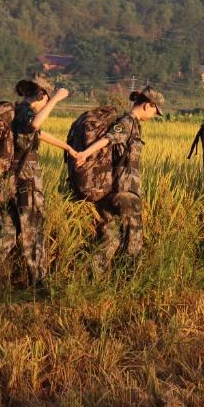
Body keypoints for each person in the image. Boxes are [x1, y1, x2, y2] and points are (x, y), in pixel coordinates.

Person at [0, 73, 74, 286]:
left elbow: (37, 133)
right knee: (32, 231)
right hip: (26, 182)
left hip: (8, 182)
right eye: (46, 97)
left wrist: (69, 148)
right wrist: (57, 99)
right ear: (42, 94)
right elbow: (35, 125)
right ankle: (38, 284)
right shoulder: (25, 112)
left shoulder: (15, 112)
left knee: (4, 230)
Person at [73, 87, 164, 272]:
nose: (154, 115)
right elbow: (108, 139)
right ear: (148, 105)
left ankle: (91, 277)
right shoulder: (126, 122)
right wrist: (84, 154)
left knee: (111, 237)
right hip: (123, 191)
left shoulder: (134, 124)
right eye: (155, 111)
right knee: (134, 237)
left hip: (112, 190)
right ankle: (129, 279)